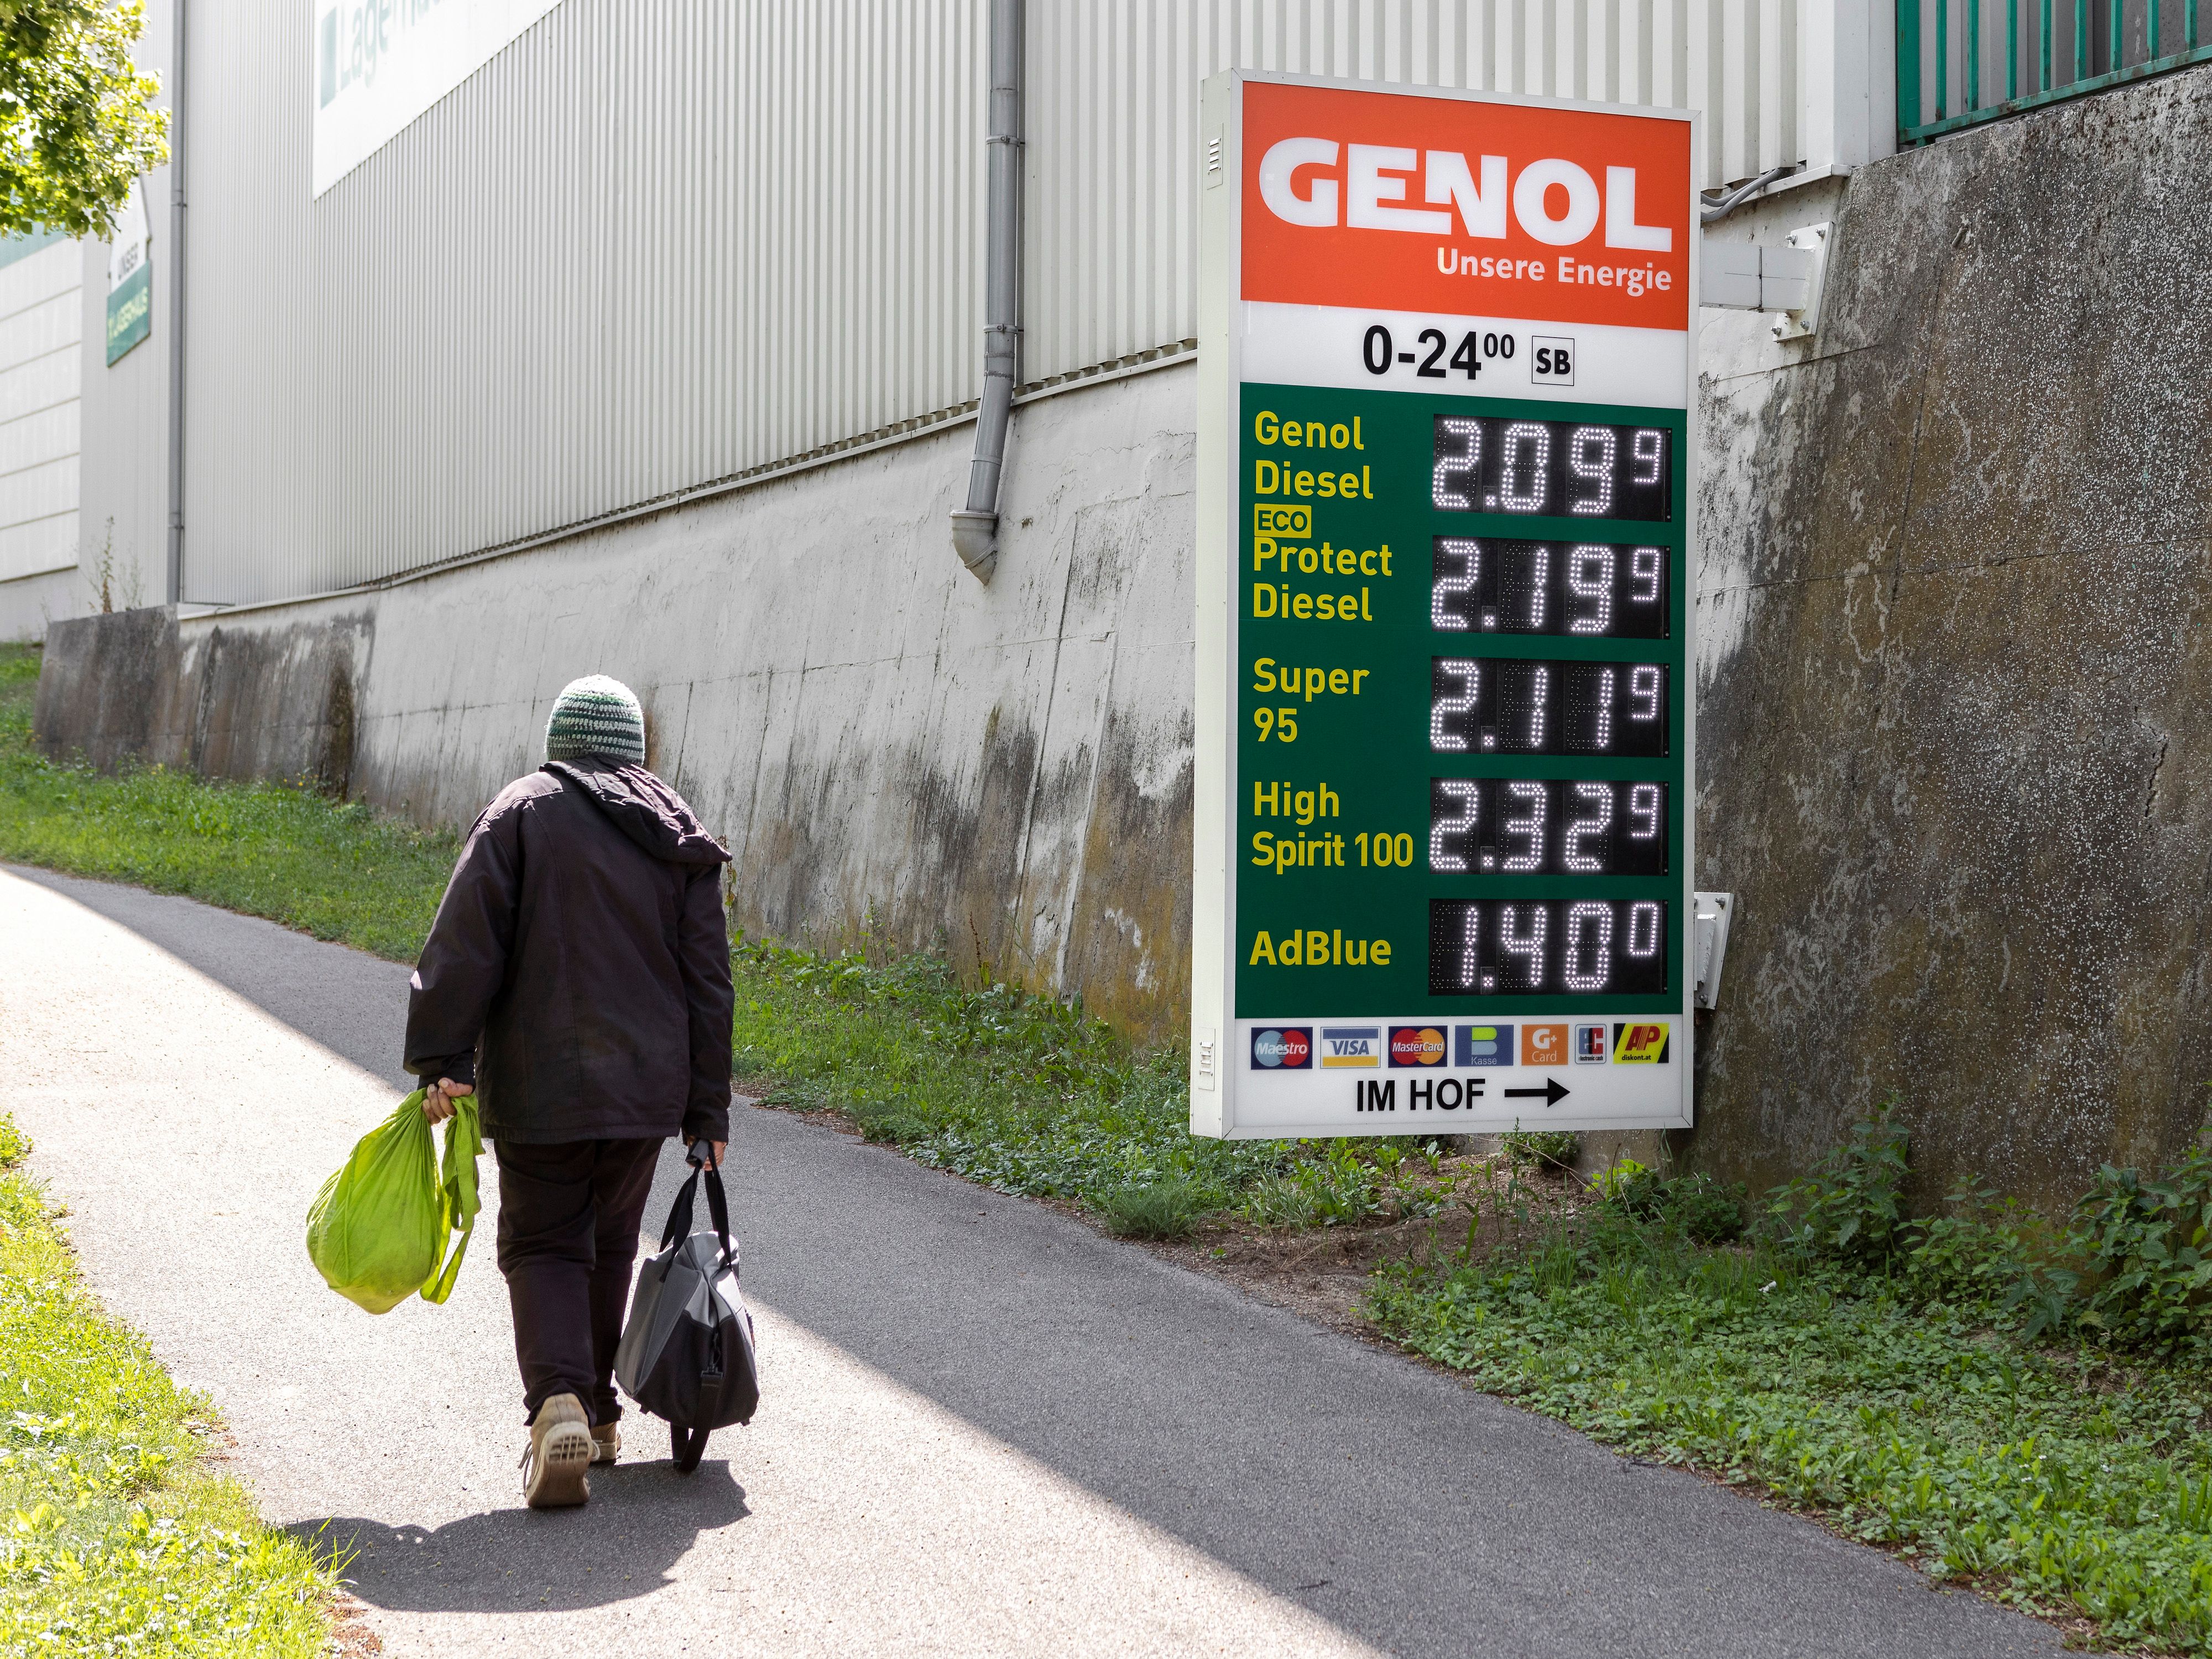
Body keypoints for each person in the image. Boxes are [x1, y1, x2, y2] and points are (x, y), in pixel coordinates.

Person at [403, 675, 733, 1509]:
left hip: (542, 1081)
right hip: (646, 1092)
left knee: (545, 1241)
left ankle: (559, 1409)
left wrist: (445, 1054)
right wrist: (707, 1109)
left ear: (561, 742)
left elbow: (466, 942)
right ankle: (602, 1414)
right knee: (611, 1240)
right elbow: (708, 982)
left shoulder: (520, 813)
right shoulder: (676, 828)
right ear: (635, 750)